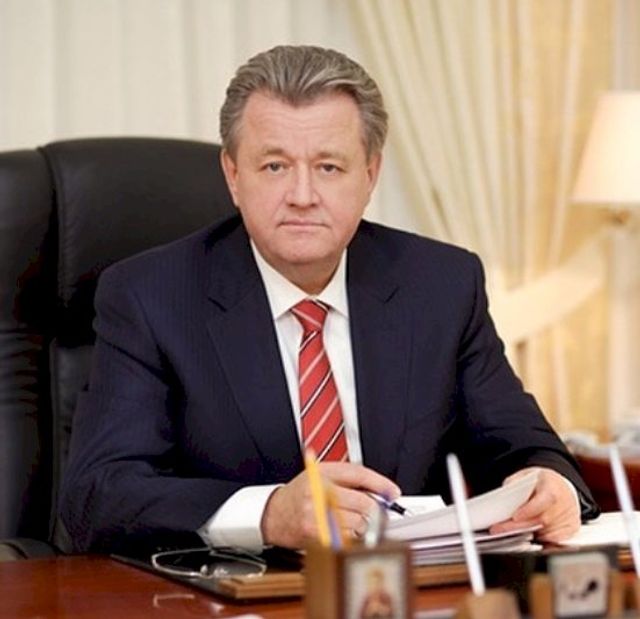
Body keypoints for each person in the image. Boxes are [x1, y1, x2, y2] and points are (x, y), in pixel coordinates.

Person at [59, 45, 598, 554]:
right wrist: (268, 514)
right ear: (233, 175)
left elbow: (525, 446)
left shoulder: (441, 285)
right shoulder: (151, 296)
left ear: (370, 175)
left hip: (408, 589)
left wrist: (549, 484)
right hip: (237, 594)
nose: (302, 196)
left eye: (329, 167)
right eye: (275, 166)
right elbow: (98, 496)